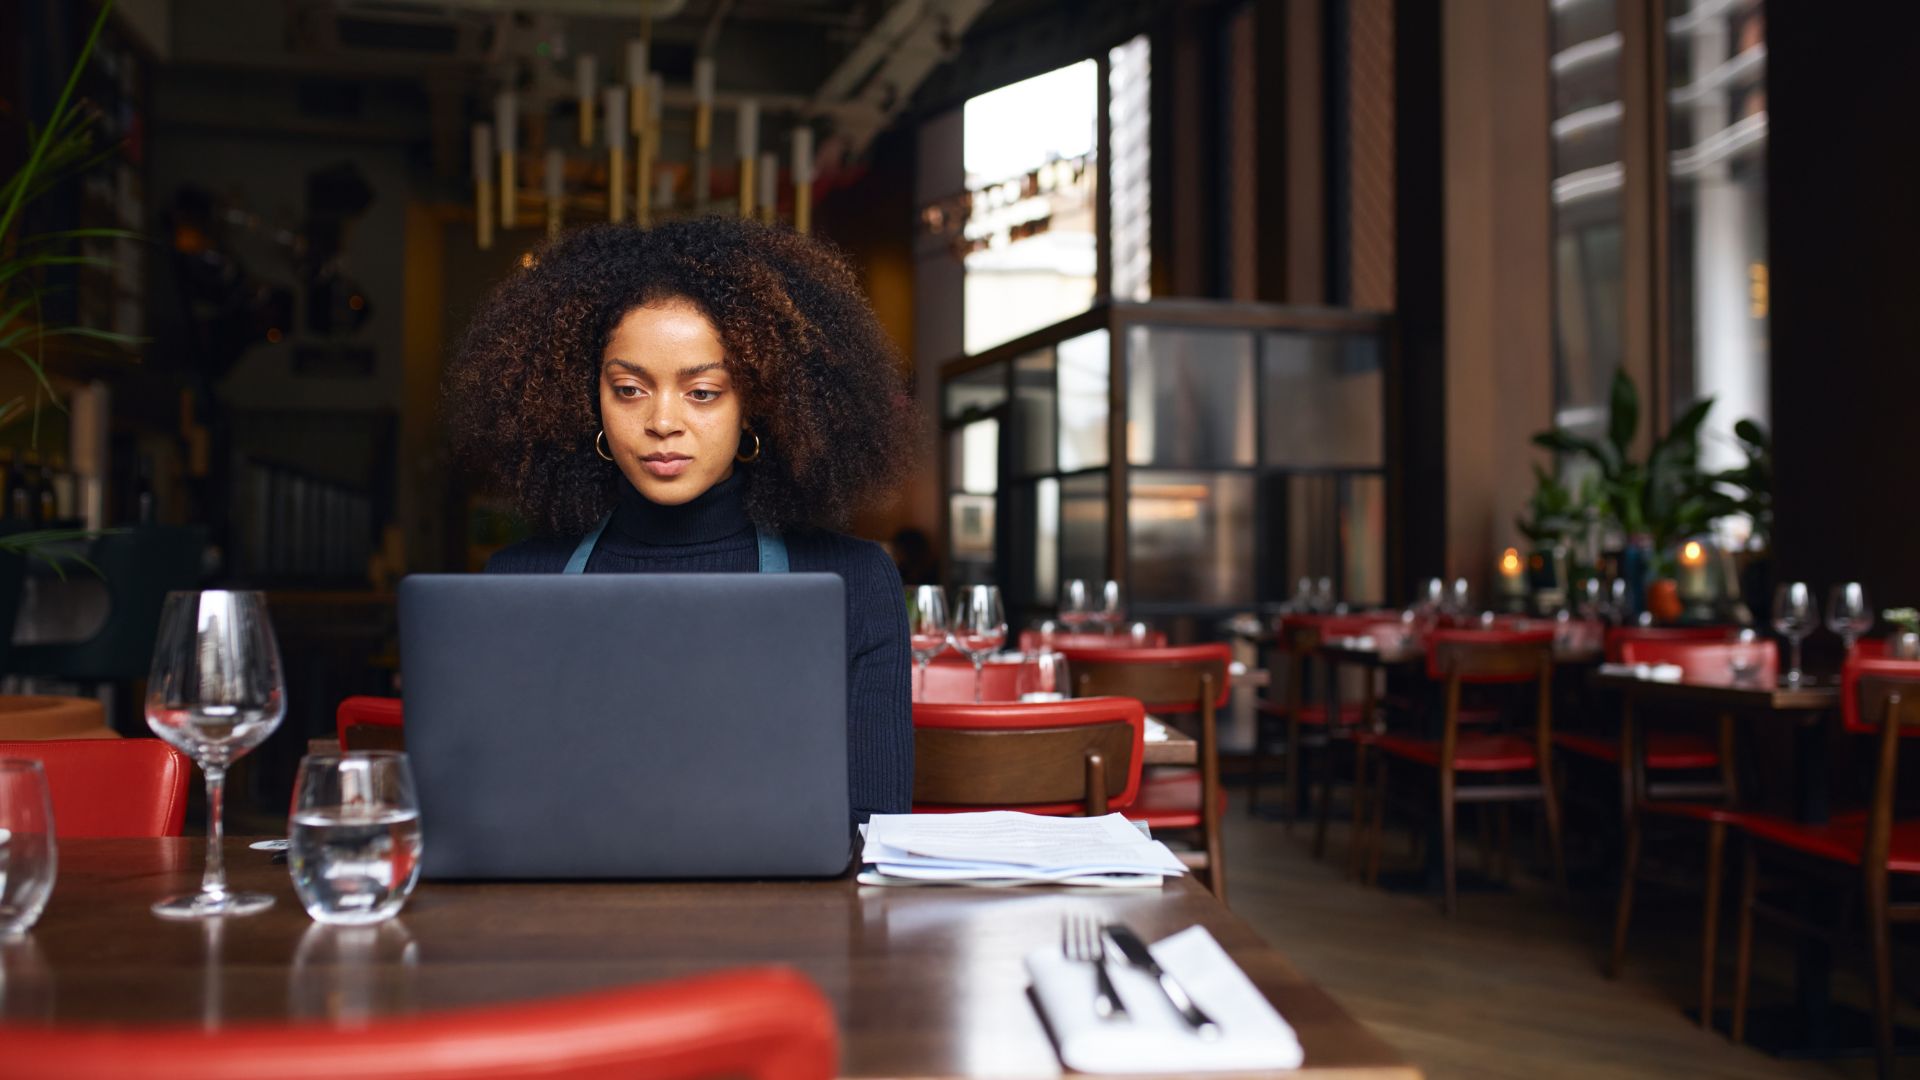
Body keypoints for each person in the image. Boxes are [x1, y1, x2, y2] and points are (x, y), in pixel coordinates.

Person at [445, 218, 920, 822]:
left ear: (758, 401)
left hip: (790, 916)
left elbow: (872, 834)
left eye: (702, 392)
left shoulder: (855, 582)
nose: (662, 421)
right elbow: (490, 820)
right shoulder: (514, 584)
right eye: (629, 389)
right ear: (585, 396)